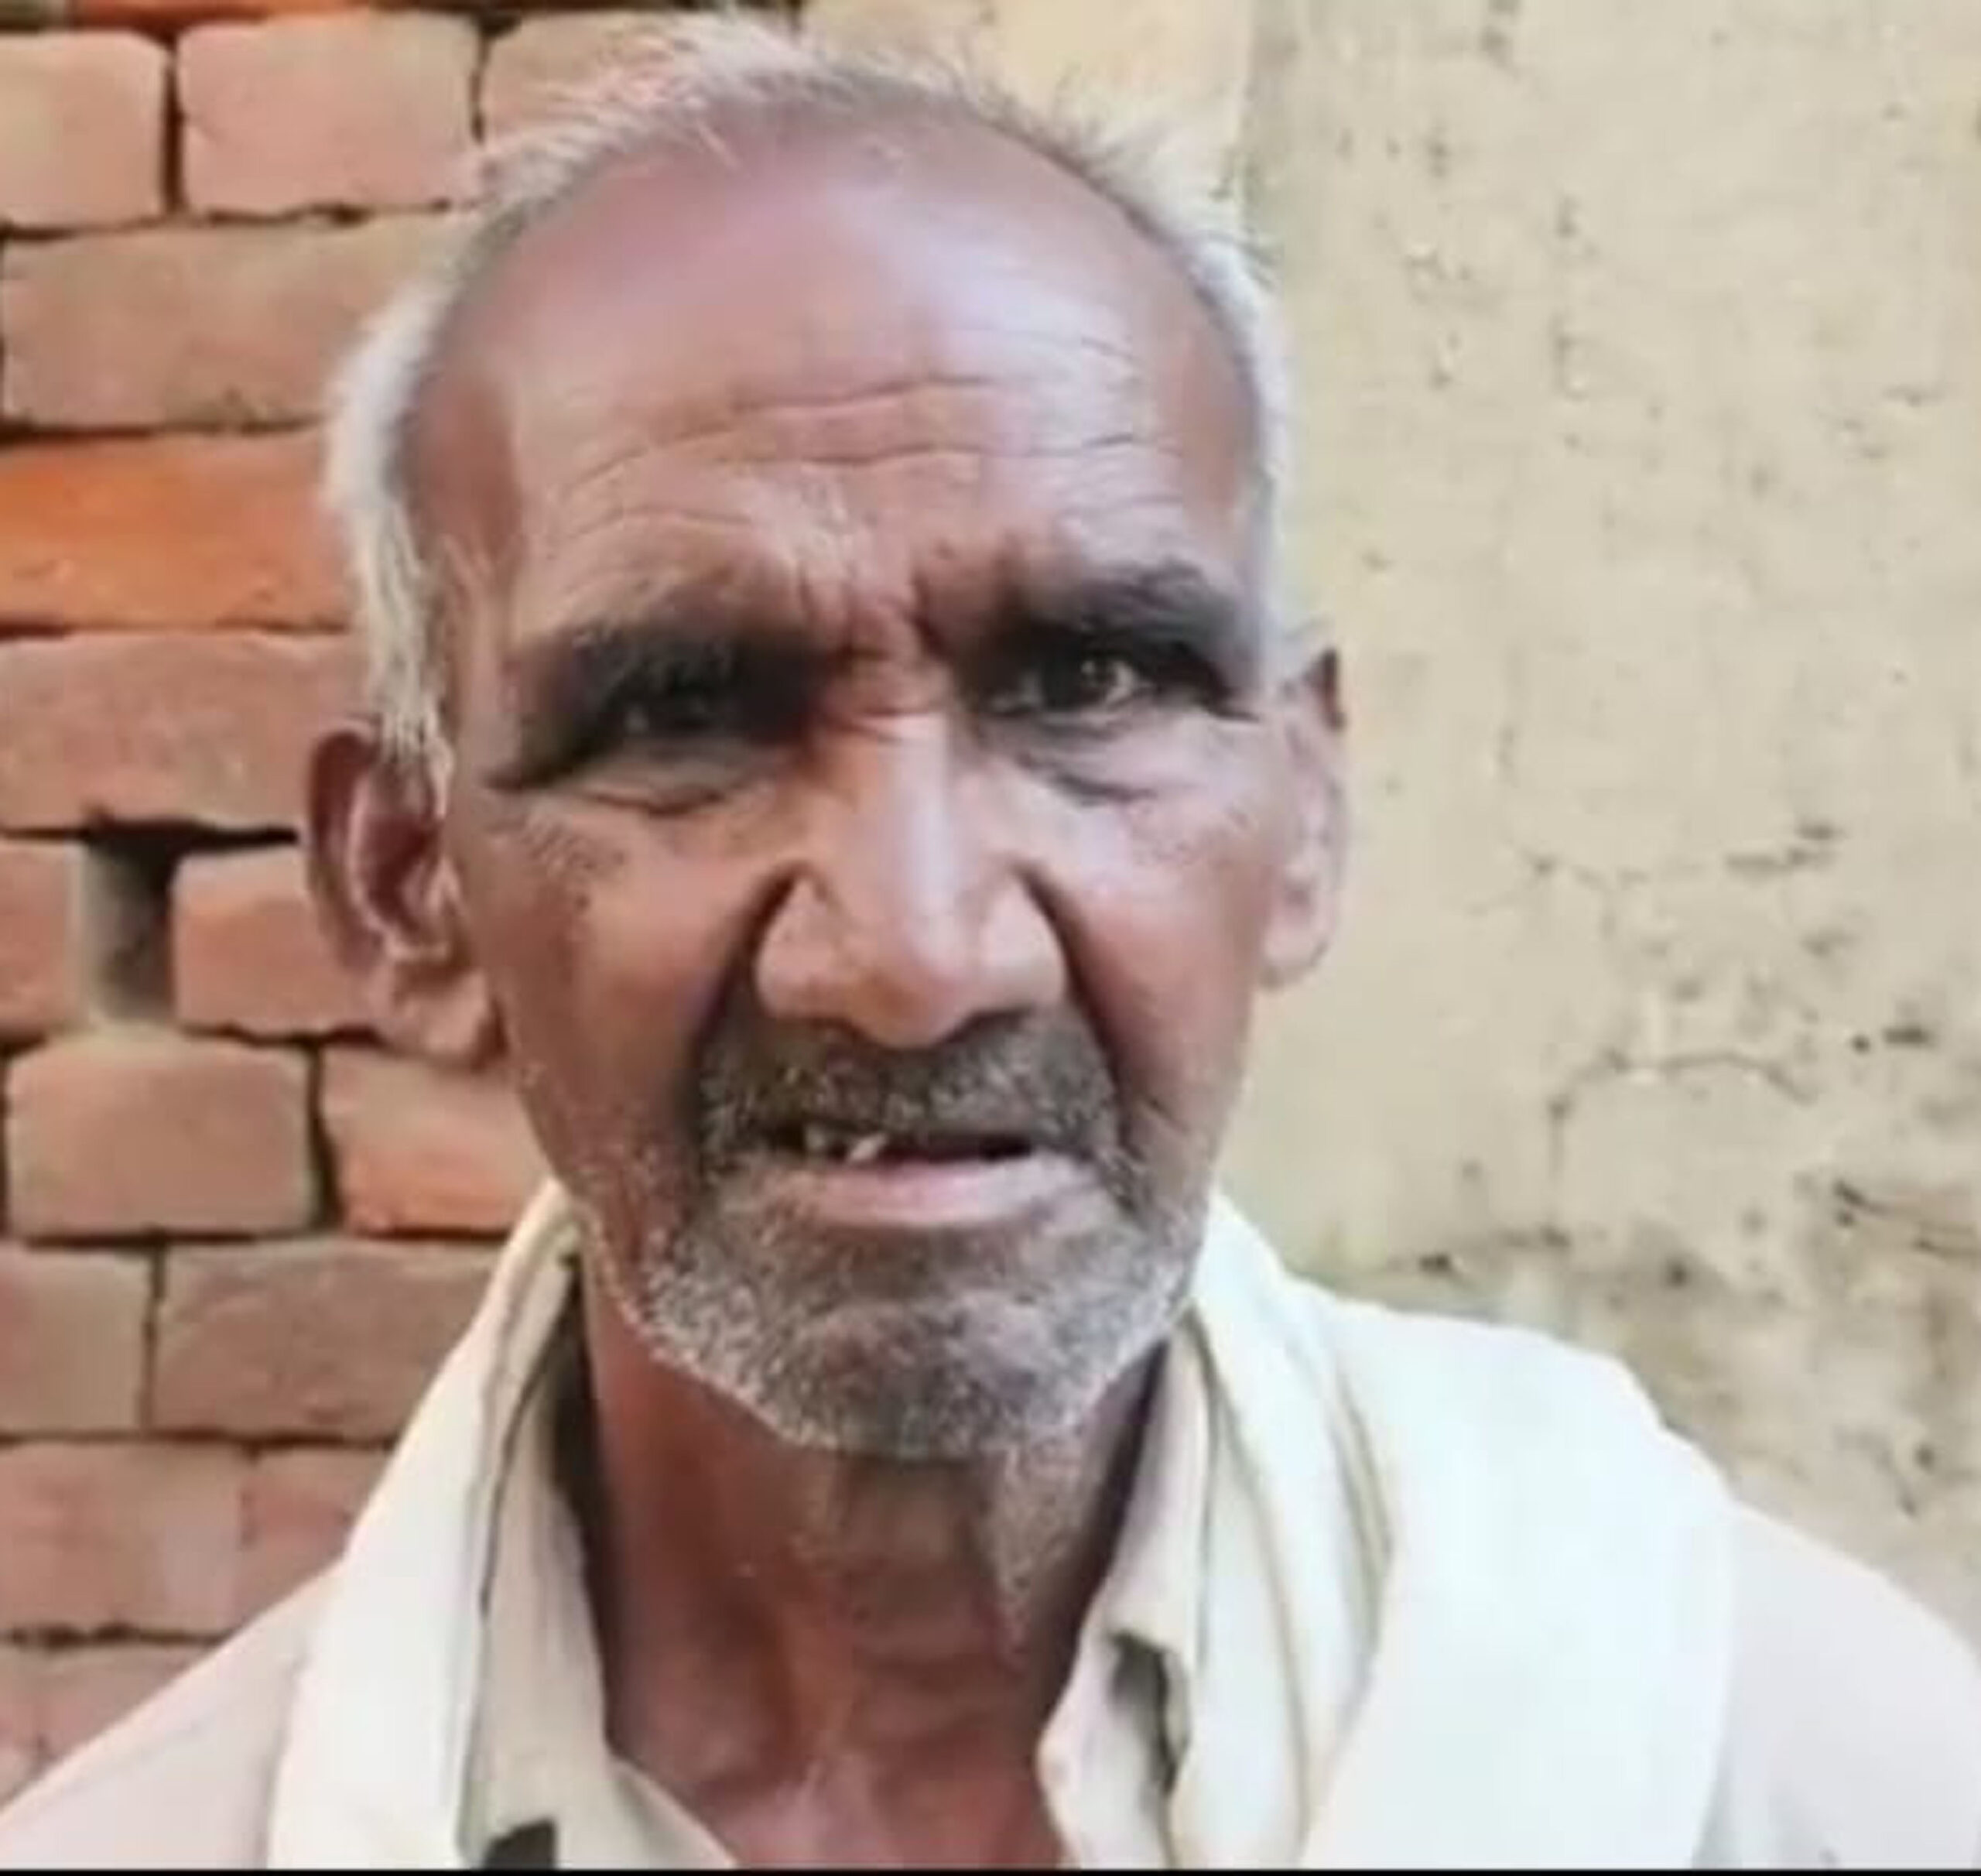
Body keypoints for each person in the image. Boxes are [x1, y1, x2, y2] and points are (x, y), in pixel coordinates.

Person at [3, 16, 1976, 1868]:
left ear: (1300, 815)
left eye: (1088, 683)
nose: (916, 960)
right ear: (410, 887)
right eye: (686, 714)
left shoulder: (1775, 1773)